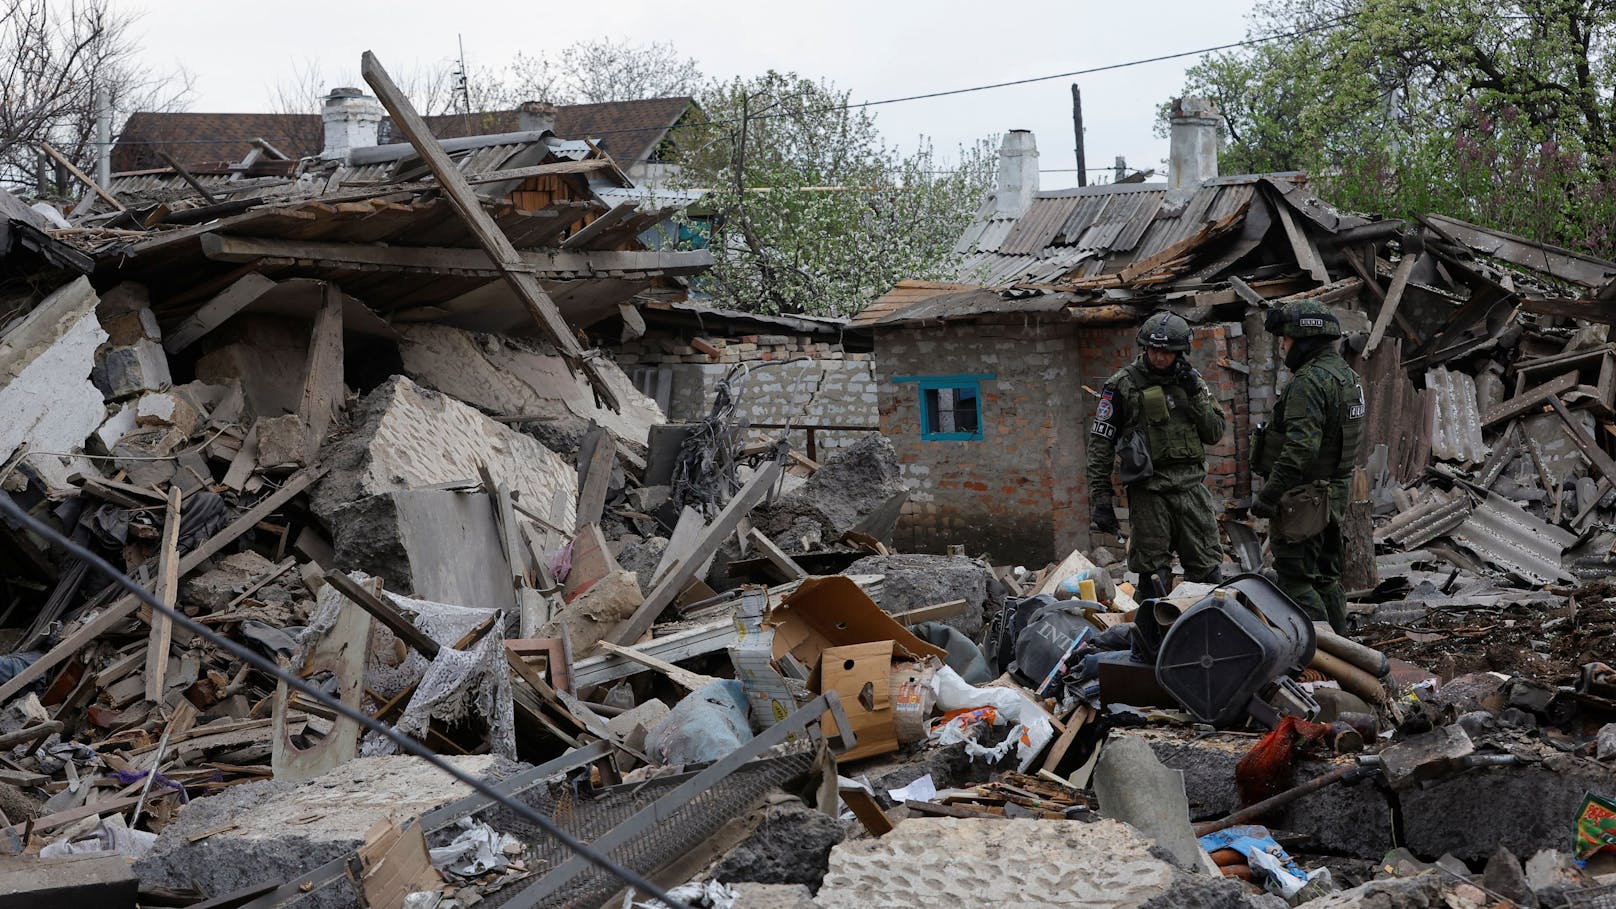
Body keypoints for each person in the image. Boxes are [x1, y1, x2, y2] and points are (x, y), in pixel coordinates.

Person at [1086, 312, 1227, 600]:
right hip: (1149, 491)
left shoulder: (1193, 381)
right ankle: (1149, 642)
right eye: (1153, 350)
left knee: (1207, 573)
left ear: (1180, 352)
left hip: (1190, 488)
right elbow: (1101, 445)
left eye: (1167, 351)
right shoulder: (1121, 385)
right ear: (1144, 348)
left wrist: (1195, 393)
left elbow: (1214, 432)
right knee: (1153, 577)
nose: (1159, 357)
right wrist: (1101, 499)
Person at [1250, 299, 1365, 634]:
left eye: (1286, 338)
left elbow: (1300, 450)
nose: (1282, 345)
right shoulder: (1346, 376)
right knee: (1327, 578)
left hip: (1304, 498)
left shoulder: (1309, 382)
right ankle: (1346, 653)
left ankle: (1321, 659)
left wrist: (1269, 496)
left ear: (1304, 341)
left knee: (1296, 581)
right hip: (1333, 493)